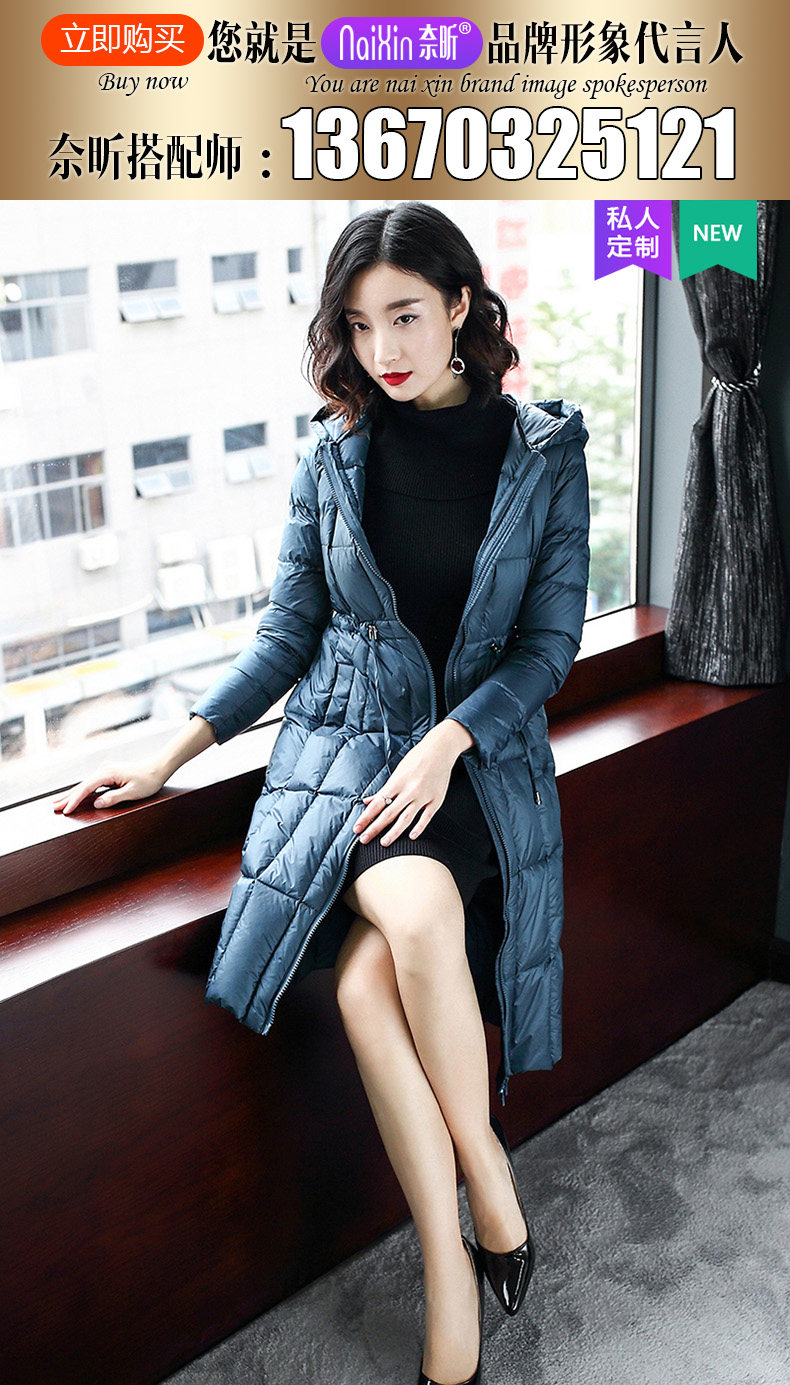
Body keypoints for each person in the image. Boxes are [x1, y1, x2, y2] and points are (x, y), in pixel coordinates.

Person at [54, 201, 591, 1385]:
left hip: (474, 759)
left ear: (460, 305)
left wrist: (448, 741)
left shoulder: (543, 451)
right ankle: (481, 1202)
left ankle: (457, 1251)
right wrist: (169, 754)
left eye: (404, 315)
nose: (380, 348)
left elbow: (547, 646)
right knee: (414, 912)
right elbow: (287, 632)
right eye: (357, 324)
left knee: (362, 987)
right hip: (346, 756)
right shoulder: (332, 457)